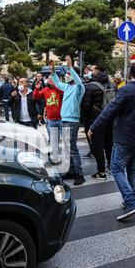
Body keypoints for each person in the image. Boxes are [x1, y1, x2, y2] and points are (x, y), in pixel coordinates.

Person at [88, 63, 135, 221]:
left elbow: (110, 111)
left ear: (130, 75)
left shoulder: (127, 90)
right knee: (133, 170)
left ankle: (130, 202)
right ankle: (130, 200)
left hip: (125, 138)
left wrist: (93, 127)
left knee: (116, 169)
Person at [50, 56, 86, 186]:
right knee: (67, 148)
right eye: (66, 74)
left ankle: (79, 175)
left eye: (68, 75)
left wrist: (70, 67)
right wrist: (53, 72)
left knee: (72, 148)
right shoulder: (67, 87)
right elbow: (57, 83)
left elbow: (79, 81)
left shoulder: (79, 88)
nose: (66, 76)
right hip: (64, 120)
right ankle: (71, 171)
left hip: (72, 122)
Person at [81, 64, 113, 180]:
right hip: (109, 119)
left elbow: (86, 106)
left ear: (98, 71)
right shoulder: (111, 84)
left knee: (97, 147)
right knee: (109, 144)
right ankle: (111, 166)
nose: (89, 71)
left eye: (92, 70)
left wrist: (83, 119)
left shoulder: (90, 86)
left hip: (95, 120)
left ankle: (101, 172)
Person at [33, 75, 64, 164]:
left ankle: (61, 158)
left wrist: (55, 84)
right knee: (53, 140)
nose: (51, 81)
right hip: (51, 119)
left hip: (61, 118)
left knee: (62, 140)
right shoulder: (46, 90)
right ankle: (55, 158)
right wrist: (37, 89)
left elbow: (62, 93)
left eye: (53, 79)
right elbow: (36, 97)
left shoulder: (59, 89)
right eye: (50, 79)